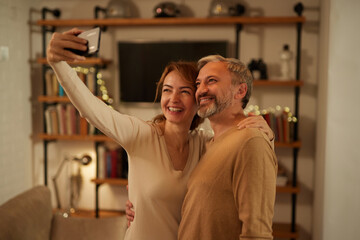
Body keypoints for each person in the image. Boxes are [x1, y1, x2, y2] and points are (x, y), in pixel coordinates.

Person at [47, 28, 274, 240]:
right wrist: (58, 63)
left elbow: (245, 163)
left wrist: (267, 136)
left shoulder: (207, 144)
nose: (173, 99)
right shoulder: (140, 135)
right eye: (167, 90)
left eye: (185, 91)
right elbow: (92, 109)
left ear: (197, 101)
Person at [177, 55, 278, 240]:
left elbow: (257, 233)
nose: (200, 90)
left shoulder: (251, 141)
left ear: (240, 91)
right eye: (198, 84)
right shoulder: (209, 143)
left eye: (211, 81)